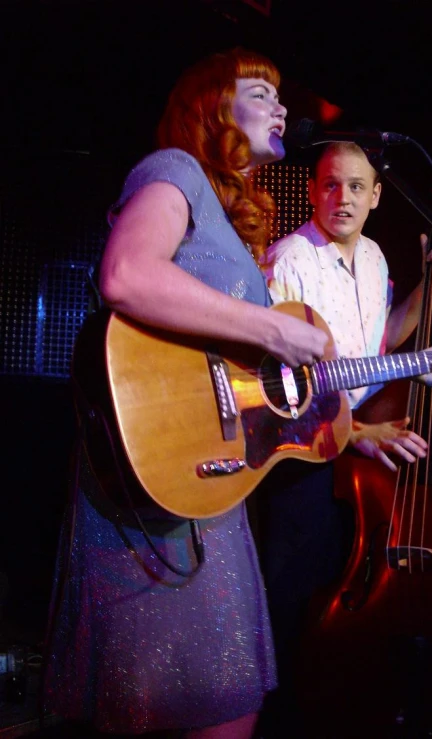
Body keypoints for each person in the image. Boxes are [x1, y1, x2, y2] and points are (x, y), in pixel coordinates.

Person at [43, 48, 330, 739]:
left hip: (211, 492)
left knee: (229, 709)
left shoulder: (233, 227)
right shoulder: (175, 173)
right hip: (152, 492)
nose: (282, 106)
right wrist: (271, 326)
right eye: (260, 91)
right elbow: (127, 274)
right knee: (183, 712)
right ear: (211, 108)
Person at [254, 140, 432, 738]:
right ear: (313, 189)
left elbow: (379, 345)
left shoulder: (373, 258)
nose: (339, 197)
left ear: (375, 196)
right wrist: (359, 431)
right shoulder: (288, 260)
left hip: (359, 451)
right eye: (328, 184)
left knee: (344, 601)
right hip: (307, 455)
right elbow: (283, 385)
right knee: (297, 606)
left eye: (354, 186)